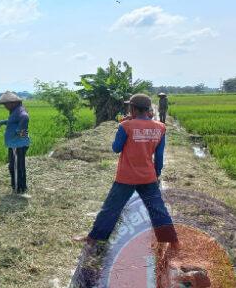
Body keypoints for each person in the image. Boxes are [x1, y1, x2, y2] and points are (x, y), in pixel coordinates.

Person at [75, 93, 179, 255]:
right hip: (148, 177)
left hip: (126, 177)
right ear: (147, 109)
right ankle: (173, 243)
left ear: (134, 109)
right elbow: (159, 156)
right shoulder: (160, 128)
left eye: (129, 106)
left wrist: (122, 128)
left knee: (111, 209)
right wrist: (156, 174)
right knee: (158, 209)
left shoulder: (126, 126)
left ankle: (93, 239)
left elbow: (116, 148)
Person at [0, 91, 30, 194]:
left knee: (15, 167)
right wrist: (4, 122)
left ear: (13, 103)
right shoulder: (15, 111)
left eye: (6, 104)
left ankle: (18, 188)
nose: (5, 106)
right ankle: (20, 187)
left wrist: (19, 131)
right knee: (17, 166)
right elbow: (14, 121)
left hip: (18, 145)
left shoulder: (20, 111)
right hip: (15, 144)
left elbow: (25, 117)